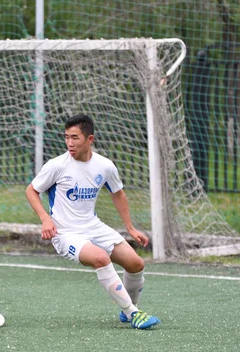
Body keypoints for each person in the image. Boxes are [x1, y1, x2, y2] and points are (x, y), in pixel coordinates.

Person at [25, 114, 160, 329]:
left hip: (93, 226)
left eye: (75, 138)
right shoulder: (57, 165)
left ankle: (129, 308)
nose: (69, 143)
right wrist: (45, 219)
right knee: (100, 258)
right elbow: (32, 190)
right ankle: (133, 313)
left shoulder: (105, 166)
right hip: (65, 233)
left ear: (90, 139)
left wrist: (130, 228)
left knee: (136, 264)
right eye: (66, 137)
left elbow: (118, 194)